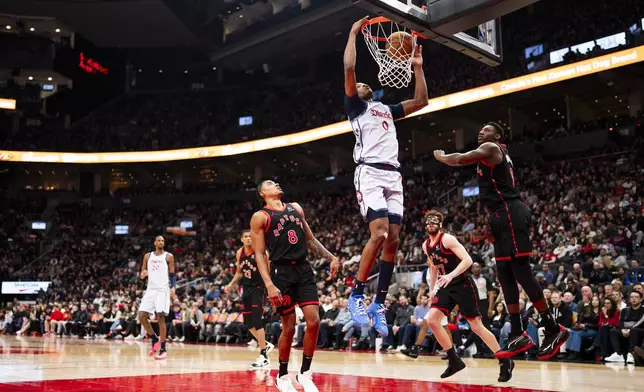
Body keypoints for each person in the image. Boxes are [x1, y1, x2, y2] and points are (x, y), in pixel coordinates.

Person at [433, 122, 568, 360]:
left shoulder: (491, 147)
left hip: (510, 211)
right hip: (498, 216)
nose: (480, 132)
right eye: (480, 129)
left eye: (486, 129)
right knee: (504, 275)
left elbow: (460, 159)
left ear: (498, 136)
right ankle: (517, 332)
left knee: (522, 273)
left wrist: (443, 157)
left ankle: (553, 328)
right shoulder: (490, 152)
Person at [343, 17, 428, 336]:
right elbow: (349, 69)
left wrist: (417, 66)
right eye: (359, 84)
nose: (362, 83)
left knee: (393, 240)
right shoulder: (356, 107)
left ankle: (378, 303)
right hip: (369, 172)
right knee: (378, 235)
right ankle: (356, 294)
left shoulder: (386, 109)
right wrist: (353, 33)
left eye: (365, 84)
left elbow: (421, 101)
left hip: (393, 174)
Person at [250, 180, 339, 392]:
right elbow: (260, 254)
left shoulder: (296, 208)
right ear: (263, 193)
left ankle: (305, 373)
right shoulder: (260, 217)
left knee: (314, 321)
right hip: (281, 273)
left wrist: (330, 257)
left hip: (304, 270)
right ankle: (282, 375)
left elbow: (310, 239)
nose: (277, 184)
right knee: (288, 327)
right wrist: (269, 284)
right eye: (271, 183)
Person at [422, 210, 513, 382]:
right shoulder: (426, 245)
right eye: (428, 222)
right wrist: (432, 288)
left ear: (440, 224)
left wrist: (450, 275)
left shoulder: (447, 239)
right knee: (432, 320)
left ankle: (504, 359)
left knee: (476, 327)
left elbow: (468, 260)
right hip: (445, 286)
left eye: (434, 222)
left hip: (462, 284)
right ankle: (454, 360)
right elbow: (434, 267)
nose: (431, 224)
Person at [224, 230, 275, 369]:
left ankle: (264, 356)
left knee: (257, 320)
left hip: (259, 288)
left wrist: (271, 288)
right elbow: (239, 272)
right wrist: (231, 284)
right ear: (241, 239)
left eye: (251, 237)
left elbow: (269, 271)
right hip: (246, 288)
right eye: (245, 237)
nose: (248, 239)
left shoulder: (262, 252)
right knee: (248, 323)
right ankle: (265, 343)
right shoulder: (239, 253)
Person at [138, 235, 176, 360]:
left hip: (162, 290)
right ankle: (154, 339)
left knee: (161, 317)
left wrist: (173, 287)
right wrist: (143, 274)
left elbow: (172, 274)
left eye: (163, 241)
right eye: (159, 240)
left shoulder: (169, 256)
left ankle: (163, 349)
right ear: (154, 243)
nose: (161, 242)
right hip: (150, 289)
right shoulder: (147, 256)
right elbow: (142, 274)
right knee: (142, 316)